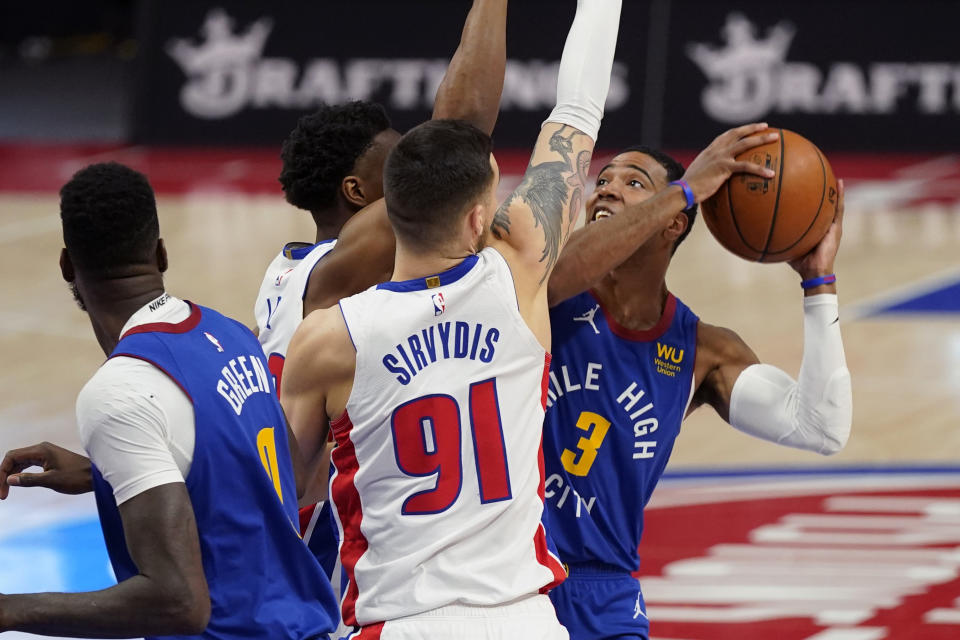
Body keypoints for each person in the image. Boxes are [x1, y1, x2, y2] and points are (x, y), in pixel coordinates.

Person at [280, 1, 623, 636]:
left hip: (400, 619)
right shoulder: (520, 267)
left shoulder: (327, 340)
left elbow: (284, 502)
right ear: (475, 219)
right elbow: (576, 113)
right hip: (524, 618)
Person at [0, 162, 338, 639]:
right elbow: (292, 479)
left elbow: (178, 603)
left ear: (67, 266)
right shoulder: (232, 334)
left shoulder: (119, 391)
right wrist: (106, 476)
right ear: (161, 254)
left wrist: (9, 609)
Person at [253, 2, 508, 633]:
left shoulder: (292, 270)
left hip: (298, 535)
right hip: (312, 557)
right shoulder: (337, 275)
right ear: (358, 193)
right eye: (397, 165)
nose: (415, 171)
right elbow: (462, 132)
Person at [541, 135, 854, 639]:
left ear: (674, 222)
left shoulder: (700, 350)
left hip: (607, 595)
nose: (607, 190)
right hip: (510, 582)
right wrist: (684, 188)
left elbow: (821, 427)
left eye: (633, 182)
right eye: (603, 181)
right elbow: (562, 266)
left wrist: (819, 284)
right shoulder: (542, 294)